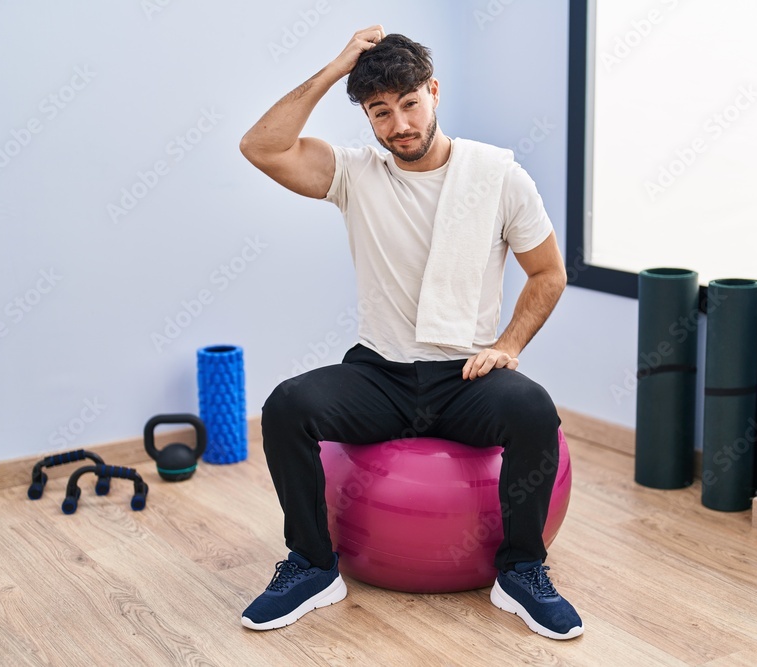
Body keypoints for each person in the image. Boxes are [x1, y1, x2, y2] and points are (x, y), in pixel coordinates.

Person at [238, 25, 582, 641]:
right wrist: (336, 66)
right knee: (287, 406)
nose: (399, 123)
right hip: (381, 374)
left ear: (434, 92)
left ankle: (523, 570)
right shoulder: (353, 174)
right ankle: (315, 566)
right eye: (379, 111)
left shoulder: (500, 177)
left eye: (409, 103)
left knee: (533, 409)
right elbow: (261, 146)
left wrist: (507, 346)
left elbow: (548, 273)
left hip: (464, 377)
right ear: (367, 117)